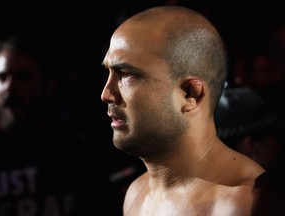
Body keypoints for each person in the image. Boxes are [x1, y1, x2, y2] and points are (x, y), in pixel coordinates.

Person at [100, 5, 284, 215]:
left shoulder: (247, 203)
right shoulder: (136, 193)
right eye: (109, 73)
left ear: (190, 94)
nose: (106, 93)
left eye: (126, 75)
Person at [0, 33, 112, 215]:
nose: (9, 88)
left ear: (49, 84)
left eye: (22, 77)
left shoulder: (77, 152)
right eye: (2, 77)